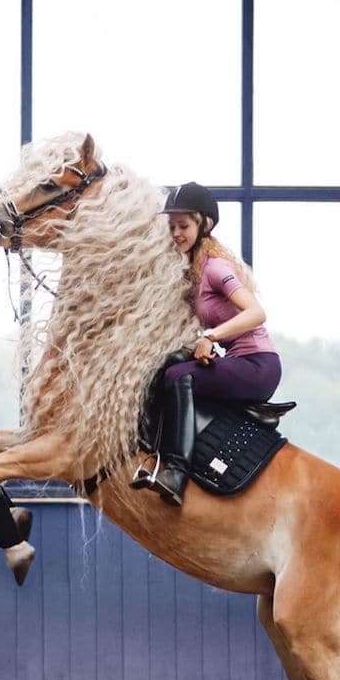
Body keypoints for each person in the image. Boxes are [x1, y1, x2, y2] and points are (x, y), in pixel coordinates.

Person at [133, 182, 282, 506]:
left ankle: (177, 471)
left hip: (258, 364)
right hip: (240, 361)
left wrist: (211, 337)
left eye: (183, 226)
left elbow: (256, 313)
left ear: (205, 225)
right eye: (171, 226)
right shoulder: (195, 273)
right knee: (170, 367)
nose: (176, 233)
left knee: (179, 376)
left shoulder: (216, 268)